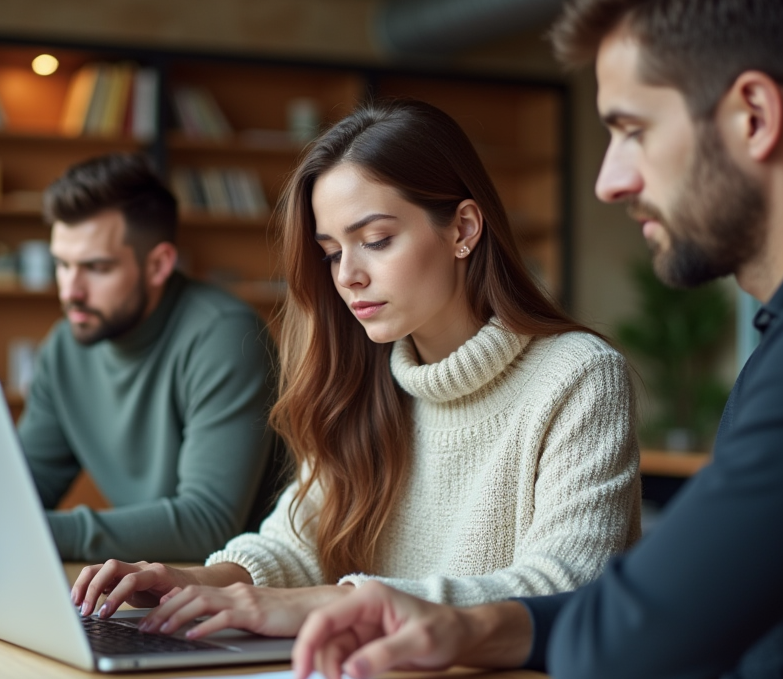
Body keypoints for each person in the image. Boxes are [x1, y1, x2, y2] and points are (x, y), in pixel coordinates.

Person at [291, 0, 783, 679]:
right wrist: (463, 627)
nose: (608, 180)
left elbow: (618, 668)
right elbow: (632, 629)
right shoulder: (781, 344)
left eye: (631, 130)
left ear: (754, 116)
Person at [71, 98, 641, 640]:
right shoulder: (362, 377)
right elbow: (299, 544)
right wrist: (194, 581)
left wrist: (328, 603)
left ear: (464, 229)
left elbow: (568, 588)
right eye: (332, 252)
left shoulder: (577, 377)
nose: (348, 276)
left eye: (375, 240)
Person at [0, 152, 281, 562]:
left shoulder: (225, 335)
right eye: (61, 265)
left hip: (244, 593)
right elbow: (26, 485)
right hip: (153, 588)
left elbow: (208, 523)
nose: (70, 291)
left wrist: (20, 528)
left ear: (158, 265)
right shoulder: (64, 347)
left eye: (96, 268)